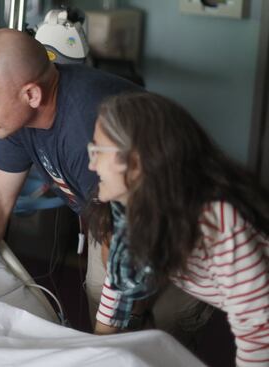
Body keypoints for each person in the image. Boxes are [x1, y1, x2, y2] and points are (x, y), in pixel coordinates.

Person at [0, 28, 150, 322]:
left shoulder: (89, 130)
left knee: (153, 331)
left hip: (172, 223)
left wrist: (112, 334)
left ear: (31, 94)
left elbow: (124, 240)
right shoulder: (14, 118)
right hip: (112, 218)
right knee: (103, 303)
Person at [86, 91, 269, 366]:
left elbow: (258, 332)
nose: (91, 164)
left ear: (135, 163)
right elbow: (118, 282)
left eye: (98, 152)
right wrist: (94, 349)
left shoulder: (215, 220)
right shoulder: (130, 209)